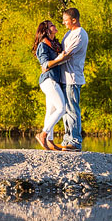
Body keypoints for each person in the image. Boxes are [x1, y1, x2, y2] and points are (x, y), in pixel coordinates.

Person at [42, 8, 88, 152]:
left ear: (74, 20)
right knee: (66, 110)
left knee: (72, 110)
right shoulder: (70, 33)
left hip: (72, 78)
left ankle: (75, 141)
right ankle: (67, 139)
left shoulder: (79, 34)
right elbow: (61, 52)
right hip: (64, 78)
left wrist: (48, 65)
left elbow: (66, 55)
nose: (63, 23)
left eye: (65, 20)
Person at [33, 20, 66, 151]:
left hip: (54, 80)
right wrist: (58, 59)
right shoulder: (43, 45)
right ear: (46, 30)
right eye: (52, 25)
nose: (55, 26)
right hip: (48, 80)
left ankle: (50, 141)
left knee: (51, 111)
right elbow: (45, 64)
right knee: (61, 108)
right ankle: (43, 134)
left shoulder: (55, 44)